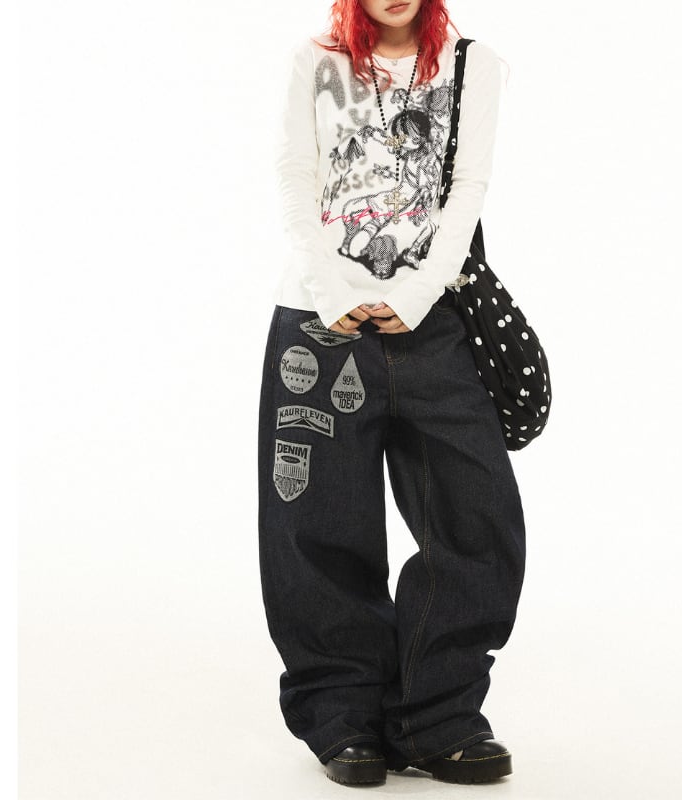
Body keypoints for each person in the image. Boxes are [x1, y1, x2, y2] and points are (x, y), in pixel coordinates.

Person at [257, 0, 526, 786]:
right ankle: (343, 717)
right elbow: (294, 177)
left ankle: (437, 717)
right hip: (317, 322)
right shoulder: (313, 61)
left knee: (475, 515)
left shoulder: (473, 66)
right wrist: (331, 289)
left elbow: (468, 190)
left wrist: (412, 295)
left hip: (434, 321)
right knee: (319, 525)